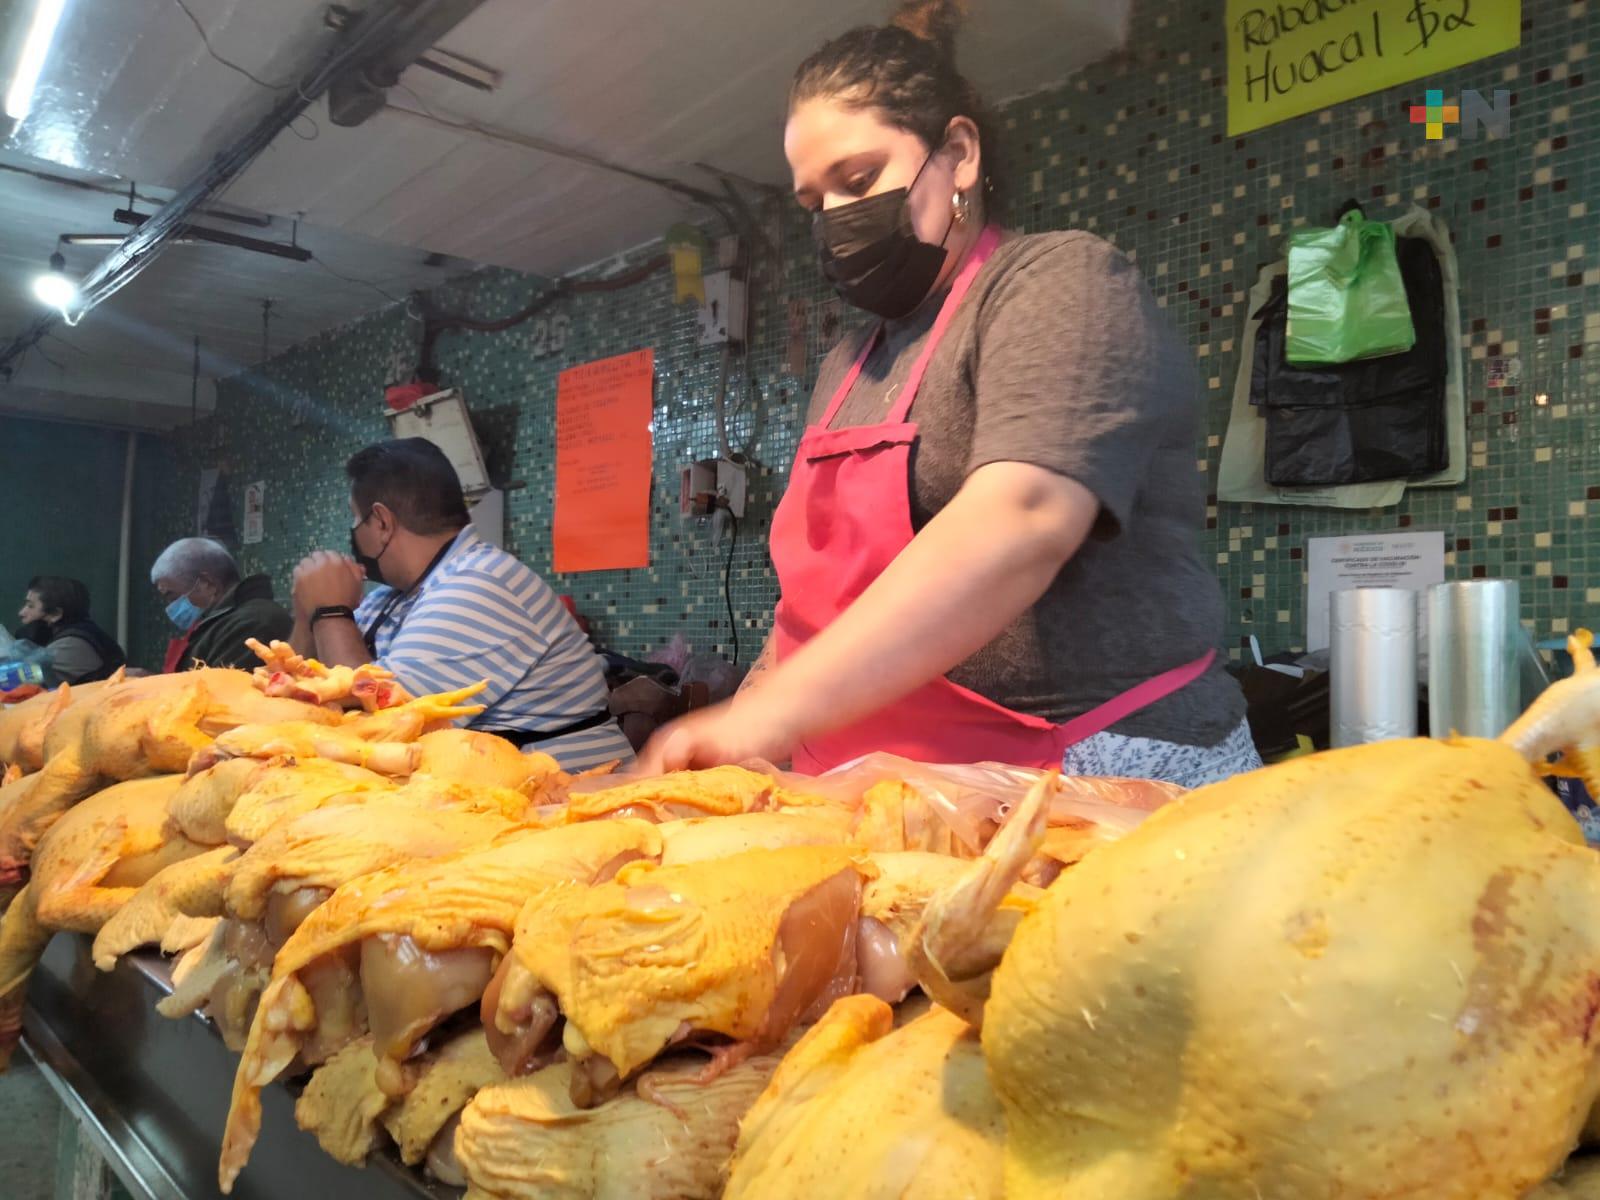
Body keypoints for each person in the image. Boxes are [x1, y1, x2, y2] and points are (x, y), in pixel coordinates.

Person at [640, 0, 1259, 789]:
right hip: (880, 781)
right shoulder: (845, 367)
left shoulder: (1055, 283)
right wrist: (759, 712)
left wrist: (769, 714)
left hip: (1087, 773)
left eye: (858, 179)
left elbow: (1023, 516)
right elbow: (814, 606)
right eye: (812, 201)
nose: (835, 217)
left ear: (958, 154)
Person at [289, 438, 633, 772]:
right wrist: (308, 612)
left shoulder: (480, 582)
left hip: (571, 804)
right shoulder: (394, 598)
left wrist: (330, 611)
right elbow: (297, 701)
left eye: (355, 520)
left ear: (381, 522)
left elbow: (380, 731)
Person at [151, 538, 293, 672]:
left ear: (207, 583)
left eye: (172, 596)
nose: (171, 607)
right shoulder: (216, 622)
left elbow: (216, 692)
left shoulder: (253, 623)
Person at [13, 576, 126, 684]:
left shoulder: (70, 645)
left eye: (30, 606)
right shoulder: (78, 635)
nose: (21, 613)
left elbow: (9, 681)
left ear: (55, 614)